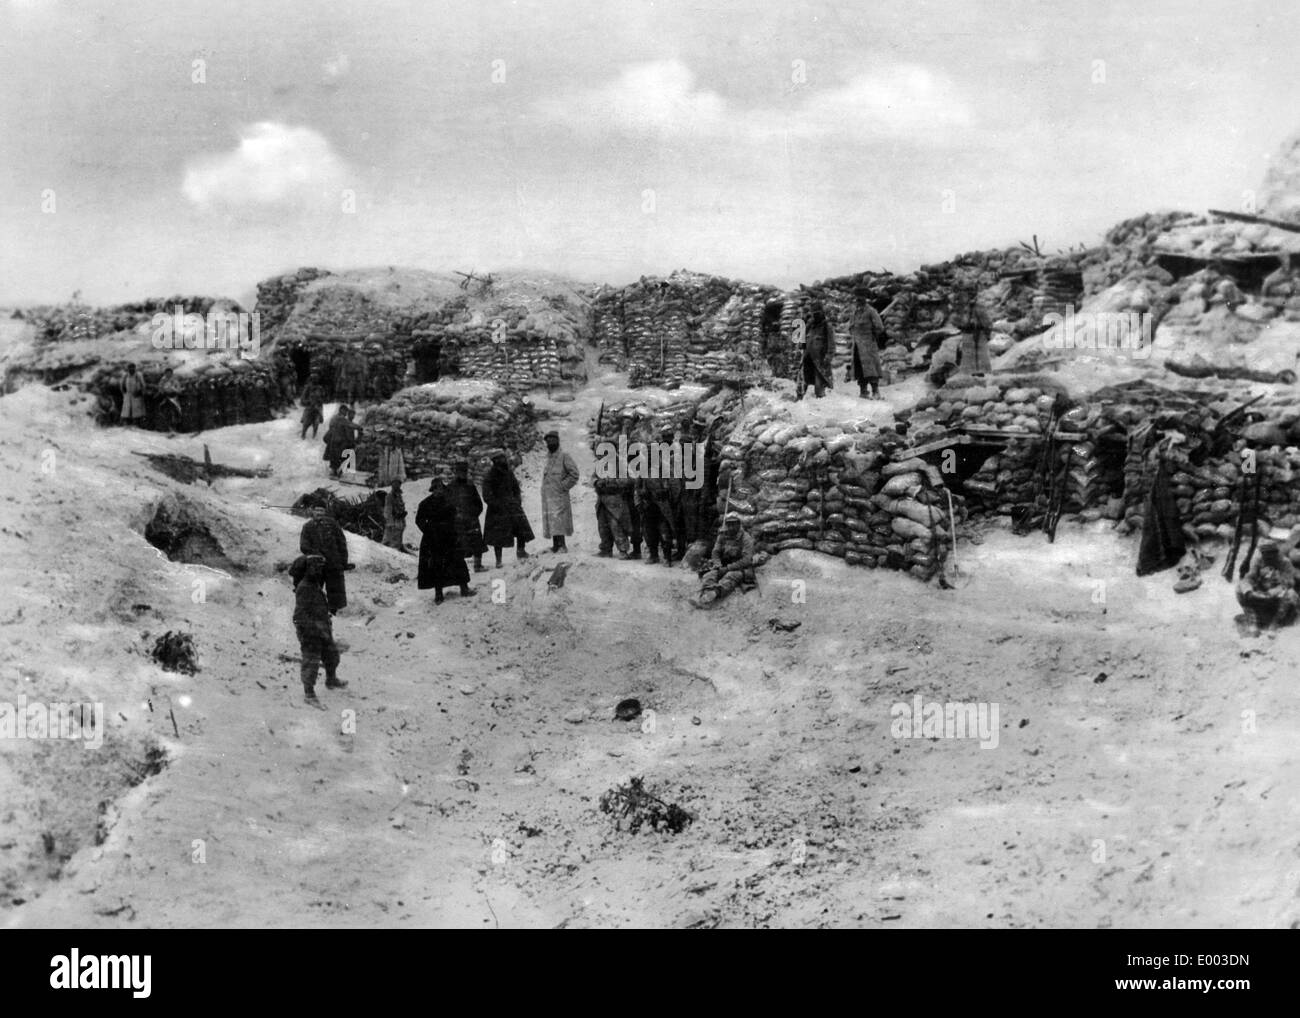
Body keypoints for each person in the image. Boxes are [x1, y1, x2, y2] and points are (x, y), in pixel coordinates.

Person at [289, 554, 345, 705]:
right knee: (311, 661)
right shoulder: (305, 587)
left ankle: (331, 679)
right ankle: (309, 694)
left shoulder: (314, 584)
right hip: (310, 632)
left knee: (332, 655)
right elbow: (299, 615)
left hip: (322, 628)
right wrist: (310, 631)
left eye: (320, 568)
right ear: (307, 569)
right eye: (315, 568)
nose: (319, 571)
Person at [416, 477, 476, 604]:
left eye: (441, 488)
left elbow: (456, 517)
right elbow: (419, 520)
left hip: (450, 536)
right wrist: (428, 531)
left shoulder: (449, 502)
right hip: (434, 539)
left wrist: (457, 531)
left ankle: (464, 589)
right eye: (436, 489)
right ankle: (439, 594)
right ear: (432, 490)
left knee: (458, 561)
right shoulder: (425, 503)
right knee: (437, 565)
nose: (439, 491)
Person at [692, 514, 757, 608]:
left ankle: (714, 594)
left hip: (741, 568)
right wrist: (718, 564)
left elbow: (746, 560)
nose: (730, 527)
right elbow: (715, 552)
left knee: (730, 576)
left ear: (739, 525)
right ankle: (704, 597)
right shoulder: (722, 535)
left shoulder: (746, 538)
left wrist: (728, 568)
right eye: (728, 524)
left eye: (733, 524)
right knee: (709, 575)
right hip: (725, 565)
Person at [482, 451, 534, 566]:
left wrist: (517, 501)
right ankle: (498, 560)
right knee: (498, 536)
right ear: (494, 461)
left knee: (521, 530)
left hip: (512, 505)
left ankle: (521, 551)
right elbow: (487, 495)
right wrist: (496, 505)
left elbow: (516, 488)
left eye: (503, 458)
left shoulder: (509, 473)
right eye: (499, 459)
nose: (503, 461)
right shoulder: (490, 476)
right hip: (497, 509)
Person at [1235, 541, 1299, 632]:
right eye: (1265, 554)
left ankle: (1275, 623)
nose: (1268, 558)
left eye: (1271, 554)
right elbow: (1249, 578)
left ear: (1276, 553)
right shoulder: (1258, 561)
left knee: (1291, 594)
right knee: (1239, 588)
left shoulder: (1285, 562)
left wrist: (1275, 590)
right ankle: (1252, 620)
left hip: (1278, 594)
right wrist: (1249, 591)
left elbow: (1289, 582)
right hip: (1261, 593)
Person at [299, 504, 351, 613]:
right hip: (317, 564)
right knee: (315, 588)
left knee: (335, 589)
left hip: (333, 562)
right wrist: (316, 554)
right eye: (317, 510)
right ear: (312, 511)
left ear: (325, 512)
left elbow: (341, 542)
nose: (319, 513)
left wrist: (343, 561)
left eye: (321, 510)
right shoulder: (308, 527)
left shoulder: (332, 524)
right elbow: (304, 546)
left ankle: (334, 611)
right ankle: (316, 610)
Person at [540, 430, 579, 553]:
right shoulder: (548, 458)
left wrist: (563, 486)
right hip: (549, 496)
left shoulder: (564, 456)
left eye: (553, 440)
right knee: (552, 520)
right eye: (548, 441)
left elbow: (574, 474)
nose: (550, 443)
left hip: (559, 495)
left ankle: (562, 545)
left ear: (558, 441)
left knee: (559, 520)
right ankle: (556, 545)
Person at [447, 460, 489, 572]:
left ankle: (477, 565)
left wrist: (473, 515)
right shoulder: (450, 487)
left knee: (477, 543)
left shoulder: (470, 486)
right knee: (458, 545)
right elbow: (446, 505)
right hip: (457, 521)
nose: (462, 474)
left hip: (471, 520)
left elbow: (479, 504)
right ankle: (459, 570)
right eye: (460, 471)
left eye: (464, 472)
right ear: (456, 472)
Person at [847, 288, 888, 399]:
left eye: (860, 297)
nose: (858, 300)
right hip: (857, 345)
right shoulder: (854, 312)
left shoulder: (871, 311)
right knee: (860, 368)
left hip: (868, 344)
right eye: (857, 298)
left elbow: (880, 327)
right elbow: (850, 327)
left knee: (871, 369)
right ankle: (863, 391)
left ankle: (875, 391)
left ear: (865, 299)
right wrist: (854, 335)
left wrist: (871, 336)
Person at [593, 470, 632, 558]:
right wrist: (597, 482)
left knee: (617, 526)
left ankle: (623, 550)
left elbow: (627, 481)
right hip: (602, 501)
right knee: (603, 527)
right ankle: (606, 549)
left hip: (615, 501)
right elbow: (593, 478)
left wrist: (611, 482)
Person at [799, 303, 835, 399]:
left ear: (822, 313)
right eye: (813, 314)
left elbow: (831, 344)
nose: (815, 316)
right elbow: (803, 339)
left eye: (817, 313)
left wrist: (828, 357)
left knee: (819, 385)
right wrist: (801, 347)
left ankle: (821, 402)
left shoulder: (827, 326)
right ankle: (801, 401)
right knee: (803, 382)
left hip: (820, 360)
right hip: (808, 358)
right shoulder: (810, 325)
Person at [955, 288, 993, 375]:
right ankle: (971, 375)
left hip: (978, 333)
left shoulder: (979, 306)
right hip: (968, 333)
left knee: (981, 357)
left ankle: (980, 375)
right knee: (969, 358)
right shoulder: (965, 307)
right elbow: (962, 321)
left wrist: (987, 333)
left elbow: (987, 322)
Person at [322, 405, 362, 478]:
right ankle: (335, 473)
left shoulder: (333, 417)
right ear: (341, 410)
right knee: (338, 456)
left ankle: (334, 472)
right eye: (345, 411)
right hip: (338, 441)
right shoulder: (340, 418)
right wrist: (360, 427)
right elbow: (350, 424)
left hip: (332, 440)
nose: (346, 413)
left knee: (334, 457)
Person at [153, 367, 183, 434]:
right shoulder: (163, 380)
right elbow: (160, 388)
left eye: (169, 373)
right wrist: (163, 392)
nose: (168, 375)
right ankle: (166, 427)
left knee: (175, 411)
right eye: (167, 373)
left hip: (173, 397)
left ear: (172, 373)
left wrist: (174, 392)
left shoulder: (175, 380)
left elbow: (179, 389)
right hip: (165, 397)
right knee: (164, 411)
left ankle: (175, 427)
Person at [382, 480, 407, 550]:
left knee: (397, 543)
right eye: (395, 483)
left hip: (399, 523)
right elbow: (387, 511)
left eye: (398, 484)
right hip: (393, 523)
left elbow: (401, 508)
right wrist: (390, 523)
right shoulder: (389, 496)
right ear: (392, 485)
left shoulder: (399, 496)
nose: (397, 485)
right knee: (388, 544)